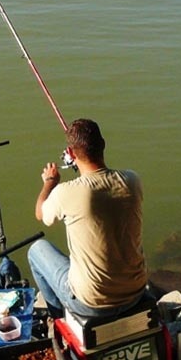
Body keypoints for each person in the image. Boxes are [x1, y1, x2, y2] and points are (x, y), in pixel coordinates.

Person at [29, 118, 148, 320]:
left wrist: (50, 181)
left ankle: (59, 320)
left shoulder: (65, 192)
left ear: (72, 154)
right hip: (135, 292)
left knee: (36, 250)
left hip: (91, 303)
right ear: (103, 145)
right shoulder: (132, 180)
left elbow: (41, 213)